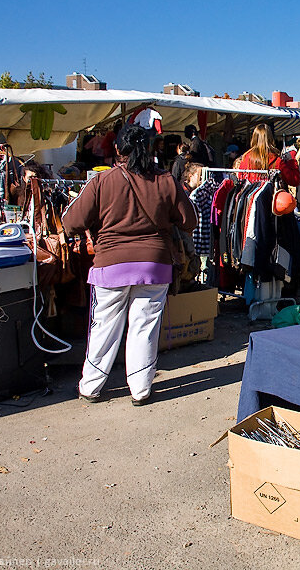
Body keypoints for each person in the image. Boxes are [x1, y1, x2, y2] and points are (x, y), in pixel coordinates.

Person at [62, 125, 197, 405]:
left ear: (117, 150)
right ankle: (141, 389)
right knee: (144, 327)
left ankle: (91, 386)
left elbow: (72, 222)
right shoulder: (165, 181)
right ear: (149, 148)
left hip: (111, 264)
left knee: (104, 327)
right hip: (154, 265)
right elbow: (189, 221)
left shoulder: (101, 182)